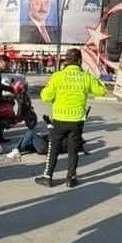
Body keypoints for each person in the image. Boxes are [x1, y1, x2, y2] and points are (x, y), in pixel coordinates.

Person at [35, 48, 106, 187]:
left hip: (59, 119)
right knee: (73, 150)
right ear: (80, 61)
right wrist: (94, 78)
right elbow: (102, 91)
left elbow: (45, 96)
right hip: (77, 121)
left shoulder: (57, 76)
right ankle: (71, 178)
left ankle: (47, 177)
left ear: (66, 61)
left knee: (54, 148)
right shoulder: (86, 77)